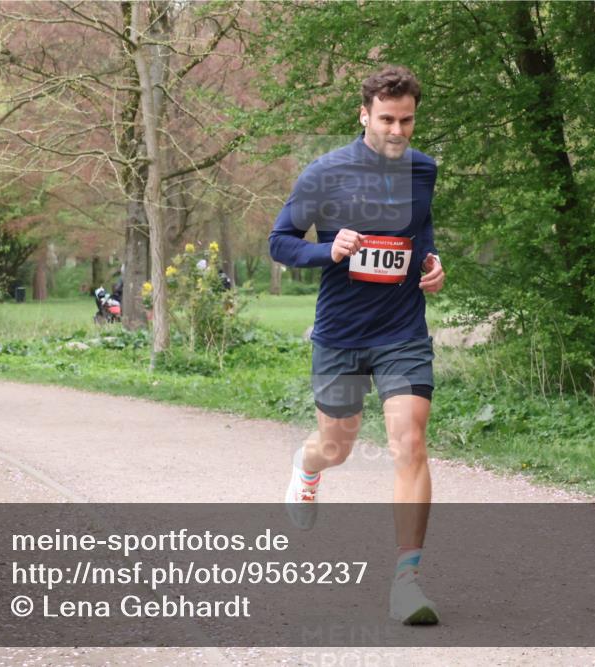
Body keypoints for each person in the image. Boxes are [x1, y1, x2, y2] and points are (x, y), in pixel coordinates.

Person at [269, 66, 445, 625]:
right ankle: (309, 464)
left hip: (401, 331)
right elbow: (279, 242)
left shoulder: (423, 169)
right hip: (342, 335)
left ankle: (406, 580)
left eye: (407, 120)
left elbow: (422, 231)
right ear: (364, 114)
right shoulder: (325, 174)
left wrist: (433, 262)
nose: (398, 131)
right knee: (337, 446)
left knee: (410, 441)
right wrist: (330, 251)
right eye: (387, 119)